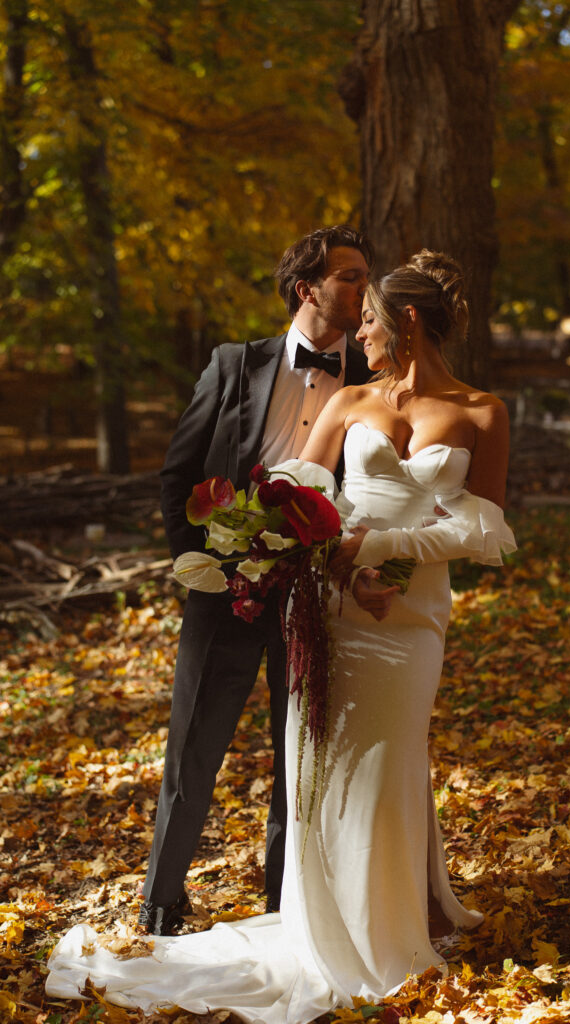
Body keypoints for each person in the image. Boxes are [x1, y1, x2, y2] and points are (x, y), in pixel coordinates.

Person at [46, 250, 516, 1024]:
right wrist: (341, 568)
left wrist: (390, 551)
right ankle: (322, 934)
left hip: (414, 622)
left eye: (367, 321)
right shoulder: (348, 403)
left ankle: (392, 928)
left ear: (404, 322)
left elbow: (486, 527)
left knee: (392, 761)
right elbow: (296, 503)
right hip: (333, 614)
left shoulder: (482, 410)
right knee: (322, 771)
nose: (356, 335)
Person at [136, 225, 373, 935]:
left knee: (297, 756)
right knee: (192, 752)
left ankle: (285, 911)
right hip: (224, 592)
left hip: (319, 594)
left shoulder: (373, 379)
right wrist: (200, 567)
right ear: (309, 289)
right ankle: (160, 904)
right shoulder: (234, 364)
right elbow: (179, 472)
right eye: (352, 276)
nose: (365, 290)